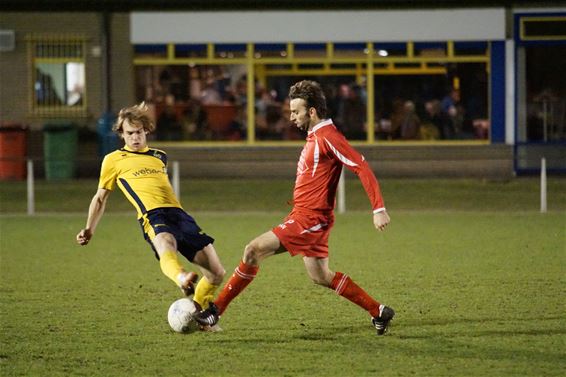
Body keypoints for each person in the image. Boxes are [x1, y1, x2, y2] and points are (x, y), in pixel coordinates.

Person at [194, 80, 395, 335]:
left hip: (310, 219)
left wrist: (378, 208)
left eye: (295, 111)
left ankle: (215, 312)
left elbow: (361, 166)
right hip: (308, 217)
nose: (291, 117)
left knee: (252, 250)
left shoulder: (328, 137)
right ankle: (378, 311)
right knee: (320, 276)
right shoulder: (316, 136)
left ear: (311, 112)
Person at [76, 102, 225, 323]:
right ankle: (181, 277)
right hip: (152, 215)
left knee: (216, 273)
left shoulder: (159, 156)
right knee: (165, 242)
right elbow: (100, 198)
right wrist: (89, 228)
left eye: (138, 132)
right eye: (129, 133)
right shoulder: (113, 160)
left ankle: (200, 315)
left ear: (146, 130)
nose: (135, 137)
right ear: (121, 134)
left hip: (180, 215)